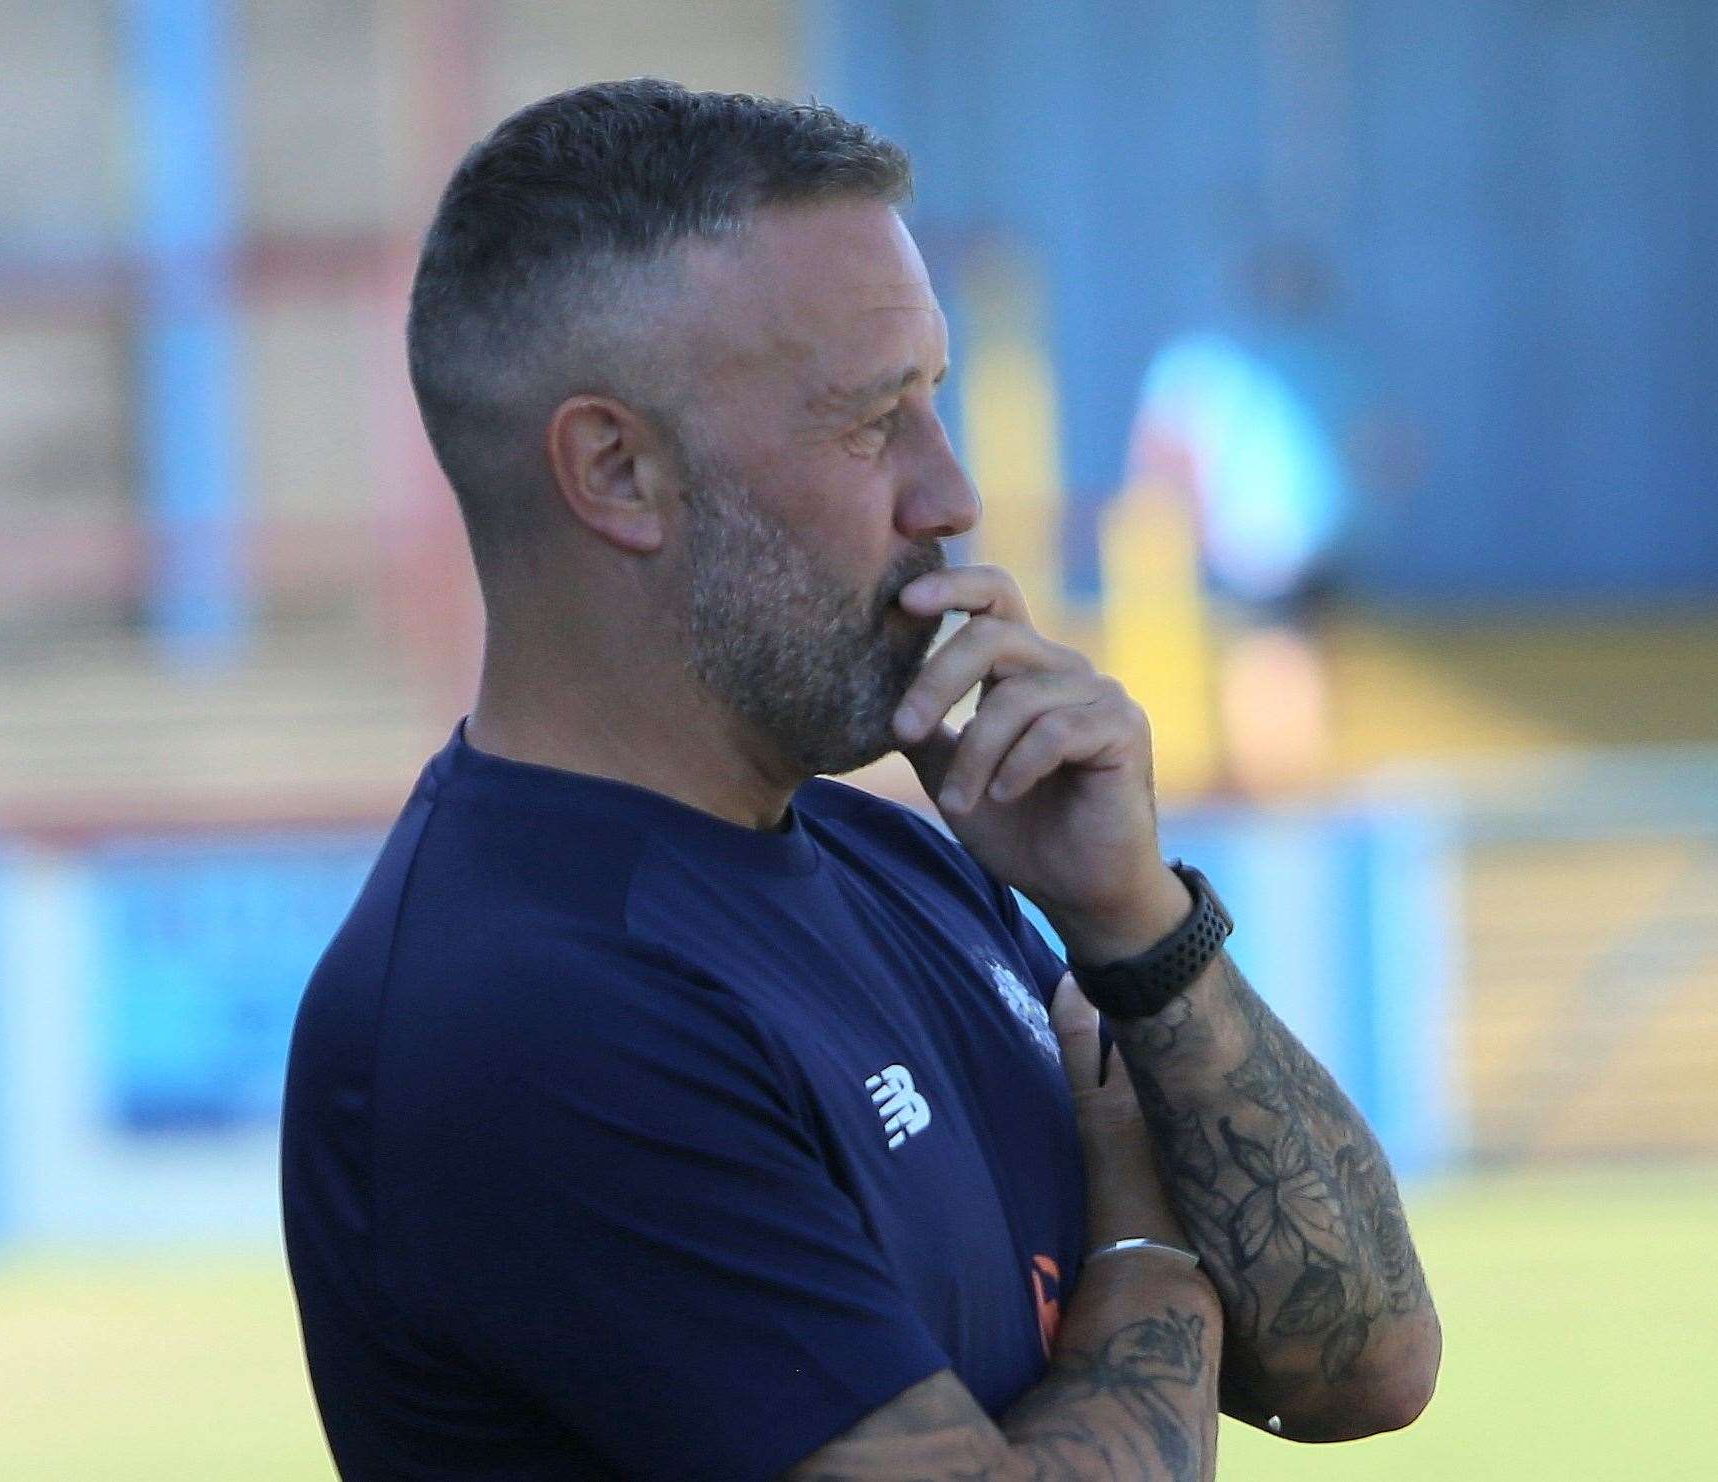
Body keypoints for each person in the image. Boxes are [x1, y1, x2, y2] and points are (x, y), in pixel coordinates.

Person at [281, 80, 1440, 1480]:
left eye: (932, 402)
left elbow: (1367, 1360)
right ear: (616, 471)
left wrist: (1138, 925)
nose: (948, 495)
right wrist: (1142, 1235)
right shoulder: (530, 1002)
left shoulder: (909, 859)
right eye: (869, 420)